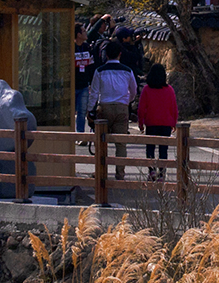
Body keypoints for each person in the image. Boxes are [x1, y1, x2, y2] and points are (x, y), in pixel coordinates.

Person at [86, 49, 139, 178]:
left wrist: (90, 109)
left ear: (107, 55)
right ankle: (120, 172)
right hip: (122, 107)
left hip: (104, 107)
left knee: (101, 140)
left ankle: (100, 171)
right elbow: (134, 90)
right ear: (119, 54)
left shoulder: (100, 71)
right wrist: (128, 101)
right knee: (121, 142)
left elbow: (94, 93)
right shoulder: (127, 71)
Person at [138, 63, 178, 181]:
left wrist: (141, 123)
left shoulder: (147, 89)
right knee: (163, 149)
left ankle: (152, 171)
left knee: (150, 148)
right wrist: (173, 123)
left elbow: (141, 108)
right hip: (165, 123)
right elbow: (174, 107)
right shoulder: (169, 89)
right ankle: (162, 173)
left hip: (151, 122)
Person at [73, 21, 97, 133]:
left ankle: (80, 133)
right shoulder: (70, 48)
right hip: (72, 84)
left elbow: (91, 66)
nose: (85, 33)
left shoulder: (87, 48)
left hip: (84, 85)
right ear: (78, 34)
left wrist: (91, 82)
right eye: (83, 31)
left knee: (82, 111)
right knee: (70, 112)